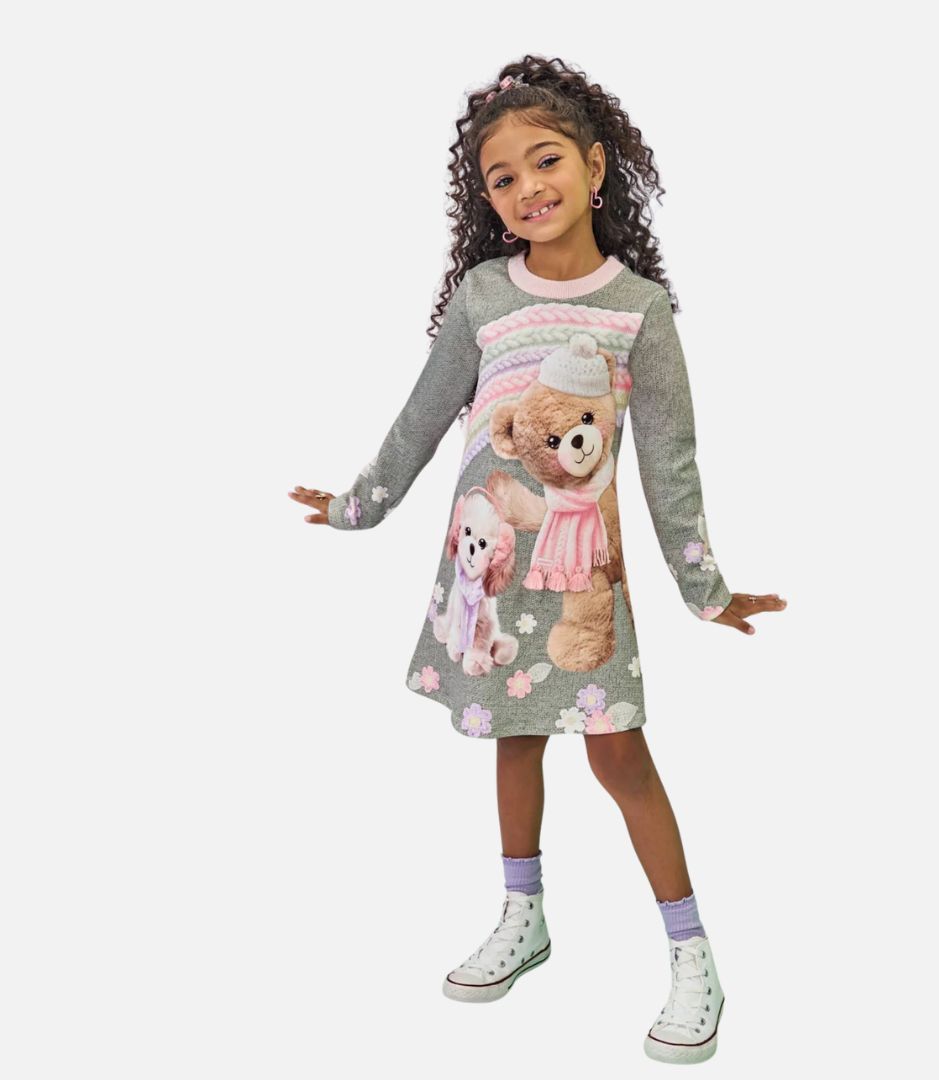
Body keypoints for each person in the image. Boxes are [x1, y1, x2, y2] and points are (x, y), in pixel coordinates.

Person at [288, 55, 786, 1065]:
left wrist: (706, 590)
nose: (526, 188)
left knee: (618, 753)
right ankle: (525, 916)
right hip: (488, 577)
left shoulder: (639, 310)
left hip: (582, 587)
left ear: (597, 167)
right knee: (512, 741)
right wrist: (354, 507)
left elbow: (671, 461)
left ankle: (692, 953)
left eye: (545, 160)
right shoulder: (484, 296)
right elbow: (422, 419)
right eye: (501, 178)